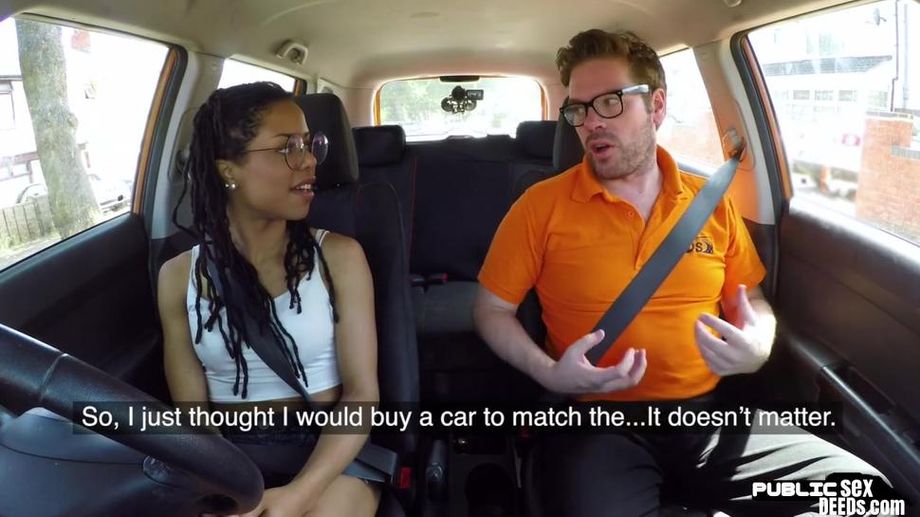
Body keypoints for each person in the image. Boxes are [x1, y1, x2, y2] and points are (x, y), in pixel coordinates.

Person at [473, 30, 887, 516]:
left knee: (862, 496)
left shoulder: (711, 204)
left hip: (709, 418)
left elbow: (751, 298)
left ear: (656, 106)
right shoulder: (540, 206)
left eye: (609, 102)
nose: (591, 122)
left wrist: (759, 344)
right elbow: (491, 310)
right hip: (598, 424)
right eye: (579, 110)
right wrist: (549, 372)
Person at [157, 82, 380, 516]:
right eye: (288, 147)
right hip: (231, 458)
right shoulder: (178, 277)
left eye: (310, 144)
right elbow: (194, 417)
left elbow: (361, 394)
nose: (309, 160)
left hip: (330, 452)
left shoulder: (339, 257)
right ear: (228, 170)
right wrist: (225, 487)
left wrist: (299, 495)